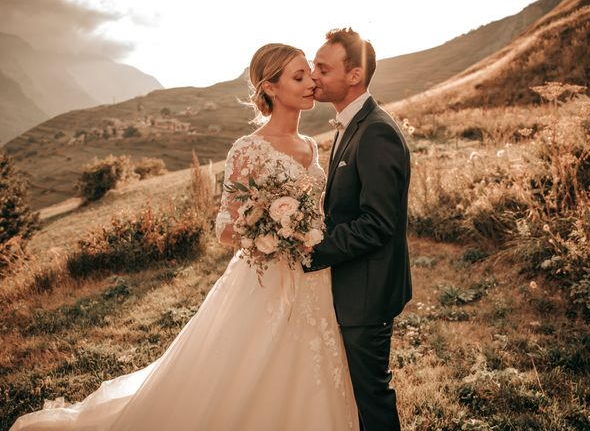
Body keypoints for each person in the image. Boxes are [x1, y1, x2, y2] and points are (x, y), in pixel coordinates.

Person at [10, 43, 358, 430]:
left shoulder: (311, 146)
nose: (311, 81)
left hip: (312, 279)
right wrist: (273, 232)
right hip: (263, 282)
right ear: (271, 88)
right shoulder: (248, 149)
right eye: (299, 76)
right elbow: (224, 228)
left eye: (310, 72)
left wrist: (305, 230)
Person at [304, 28, 412, 431]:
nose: (314, 75)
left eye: (322, 68)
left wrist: (310, 250)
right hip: (352, 284)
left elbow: (378, 223)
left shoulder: (377, 131)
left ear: (354, 76)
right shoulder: (350, 124)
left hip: (367, 291)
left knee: (371, 399)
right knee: (354, 394)